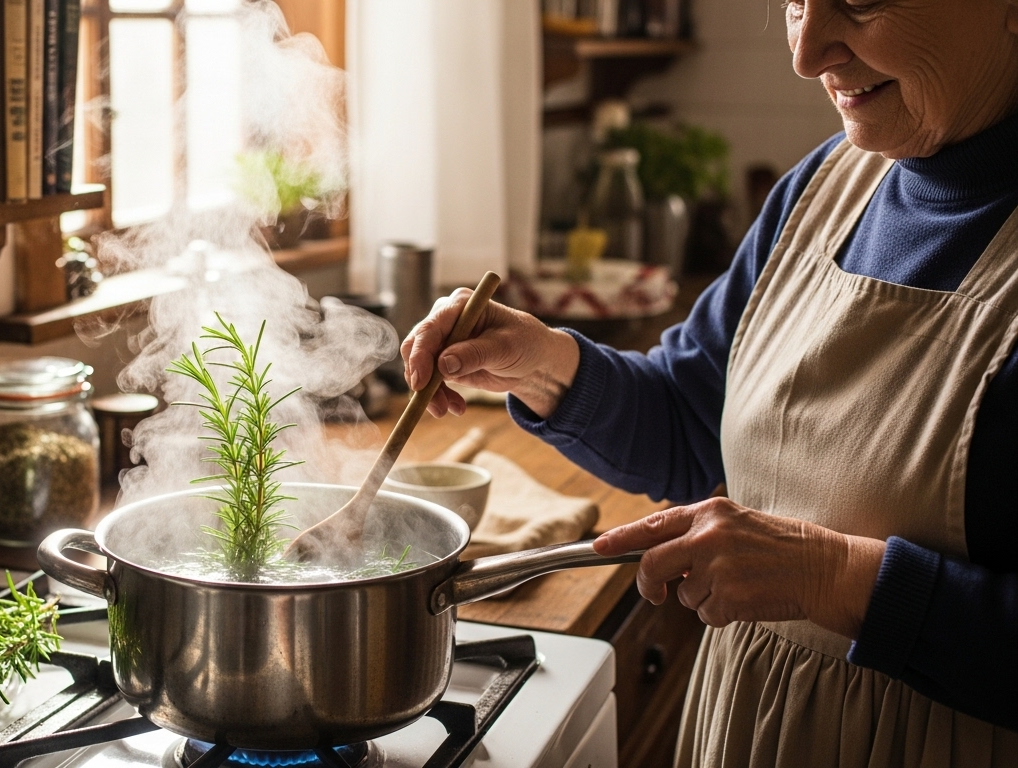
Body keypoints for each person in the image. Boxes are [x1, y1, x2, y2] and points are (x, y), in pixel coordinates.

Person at [402, 1, 1018, 765]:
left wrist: (836, 580)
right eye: (794, 3)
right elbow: (698, 423)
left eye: (859, 2)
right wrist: (546, 366)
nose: (807, 53)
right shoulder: (821, 191)